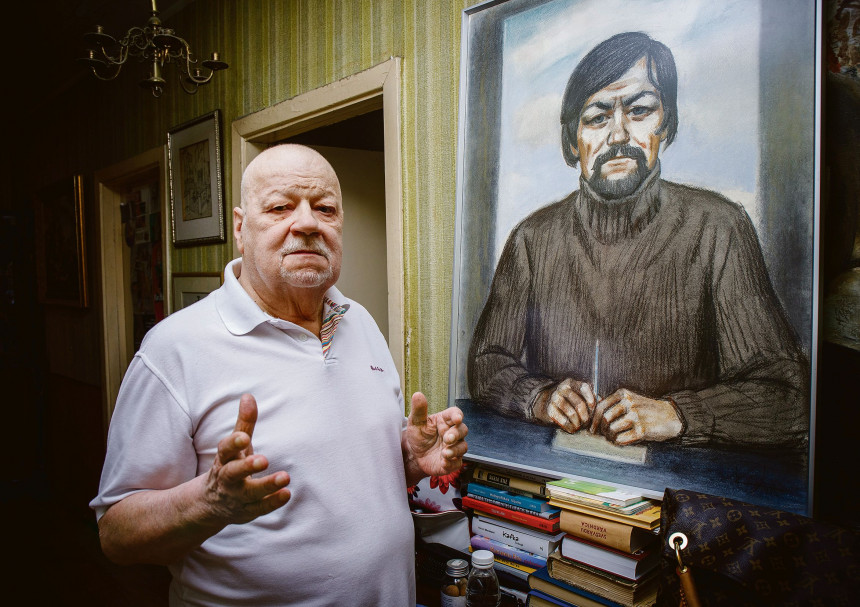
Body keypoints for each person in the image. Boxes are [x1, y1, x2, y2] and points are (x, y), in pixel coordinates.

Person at [90, 144, 469, 606]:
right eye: (280, 207)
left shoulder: (359, 321)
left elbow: (356, 472)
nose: (308, 223)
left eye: (325, 208)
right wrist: (209, 503)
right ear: (240, 228)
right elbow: (116, 534)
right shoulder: (175, 348)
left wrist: (410, 456)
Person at [467, 32, 808, 451]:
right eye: (596, 117)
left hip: (682, 485)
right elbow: (486, 363)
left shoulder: (719, 228)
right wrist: (538, 397)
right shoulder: (532, 239)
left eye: (640, 110)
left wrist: (678, 415)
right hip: (556, 476)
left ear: (667, 123)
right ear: (572, 141)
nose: (618, 135)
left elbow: (789, 397)